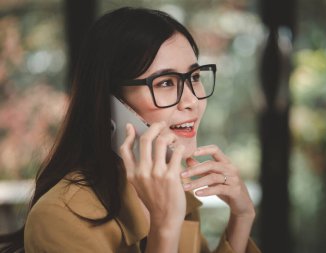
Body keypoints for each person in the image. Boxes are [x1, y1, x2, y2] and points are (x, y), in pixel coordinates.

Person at [0, 7, 261, 253]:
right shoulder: (58, 216)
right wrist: (165, 227)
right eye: (166, 82)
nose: (192, 101)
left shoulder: (170, 185)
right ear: (111, 103)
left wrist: (242, 217)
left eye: (194, 77)